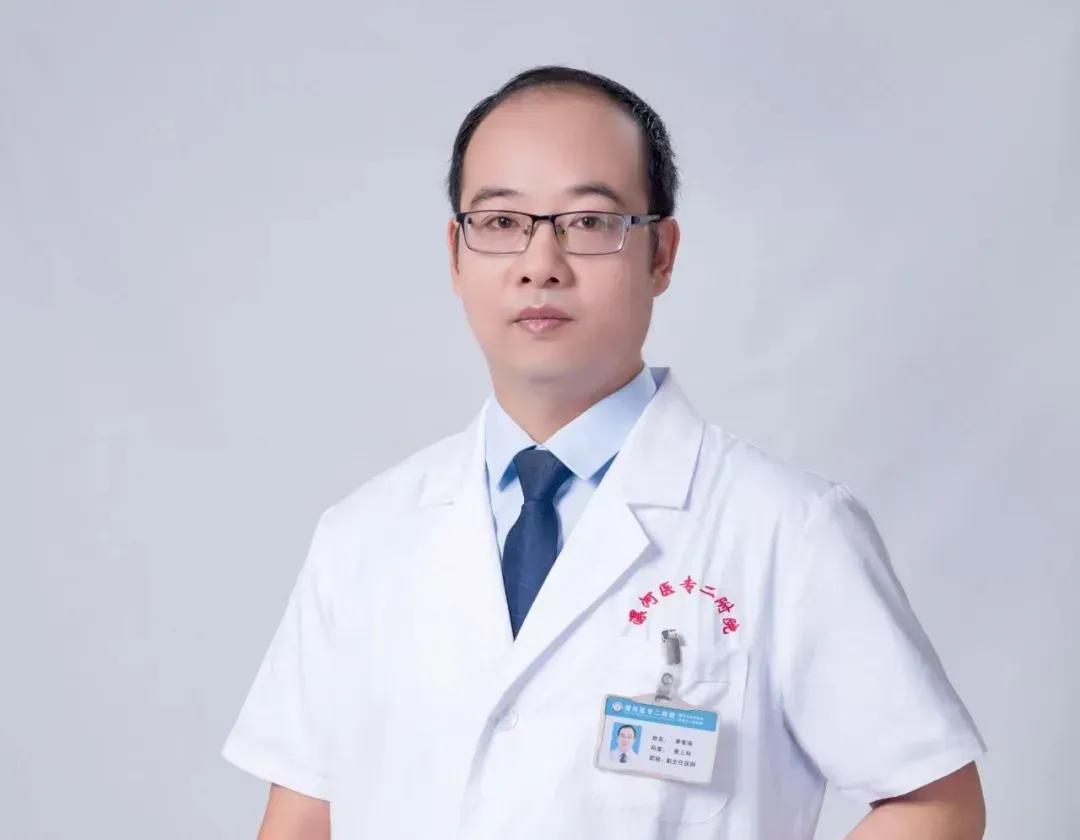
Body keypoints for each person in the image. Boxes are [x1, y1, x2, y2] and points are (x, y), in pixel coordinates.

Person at [222, 65, 987, 839]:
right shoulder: (362, 536)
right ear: (456, 255)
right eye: (500, 222)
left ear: (661, 254)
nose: (540, 263)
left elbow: (935, 803)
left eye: (589, 222)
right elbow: (304, 812)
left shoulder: (787, 530)